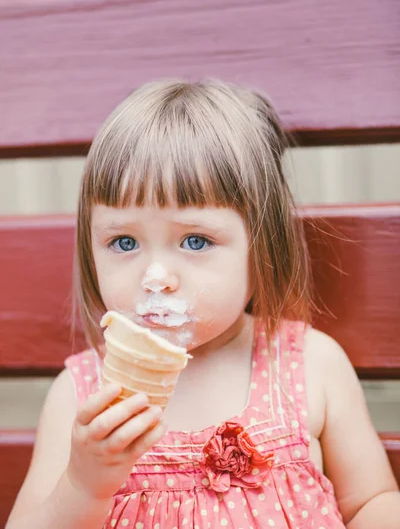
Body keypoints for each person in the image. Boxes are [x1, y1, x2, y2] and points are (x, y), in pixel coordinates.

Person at [6, 79, 399, 529]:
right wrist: (82, 486)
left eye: (196, 241)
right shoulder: (83, 396)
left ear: (262, 246)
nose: (157, 277)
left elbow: (372, 502)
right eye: (124, 241)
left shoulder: (310, 364)